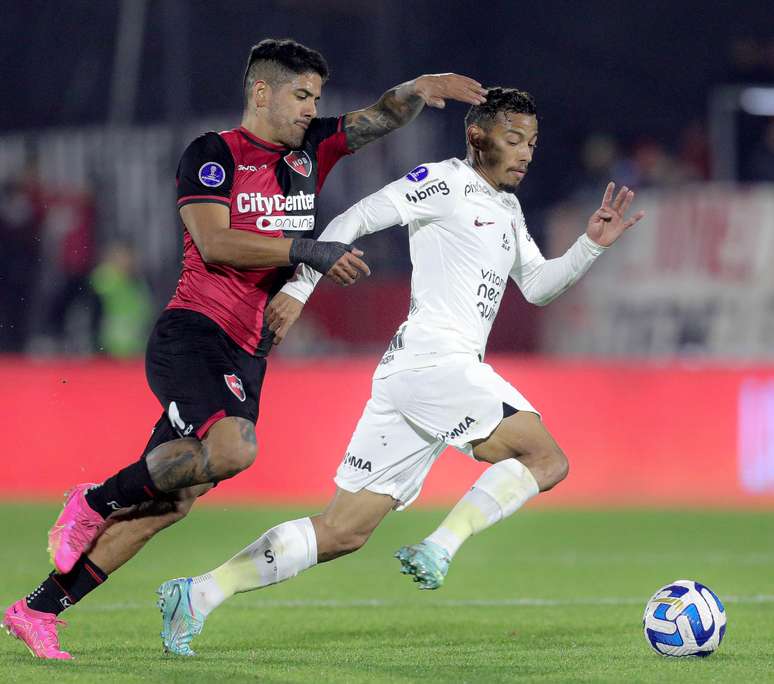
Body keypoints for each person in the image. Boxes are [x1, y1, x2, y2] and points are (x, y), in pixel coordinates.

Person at [1, 37, 487, 660]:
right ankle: (92, 501)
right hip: (195, 332)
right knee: (233, 449)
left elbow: (378, 117)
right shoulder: (212, 154)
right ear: (262, 92)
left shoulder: (312, 152)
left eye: (317, 97)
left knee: (169, 503)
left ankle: (37, 609)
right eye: (301, 95)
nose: (313, 109)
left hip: (247, 352)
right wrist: (309, 252)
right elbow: (214, 243)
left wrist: (421, 87)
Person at [154, 87, 645, 656]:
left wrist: (590, 245)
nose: (526, 153)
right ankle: (440, 545)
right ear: (477, 136)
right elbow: (358, 215)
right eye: (514, 140)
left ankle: (198, 594)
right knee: (545, 458)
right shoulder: (441, 182)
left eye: (532, 142)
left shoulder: (507, 208)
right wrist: (303, 286)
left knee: (343, 531)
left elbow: (535, 288)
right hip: (436, 364)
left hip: (417, 375)